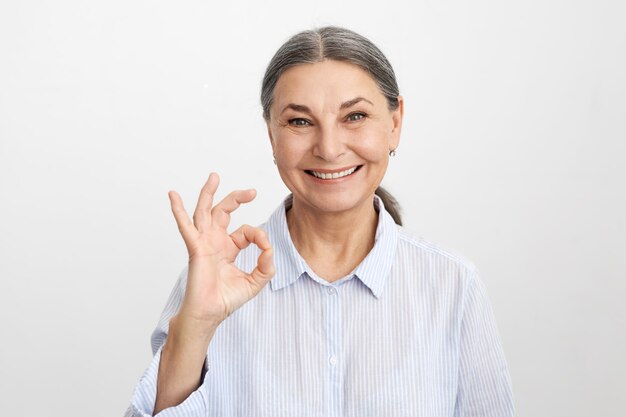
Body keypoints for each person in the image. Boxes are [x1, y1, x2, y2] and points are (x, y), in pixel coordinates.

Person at [125, 26, 514, 417]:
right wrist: (196, 327)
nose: (328, 149)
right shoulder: (216, 279)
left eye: (355, 116)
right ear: (271, 133)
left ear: (395, 124)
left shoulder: (453, 287)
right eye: (299, 122)